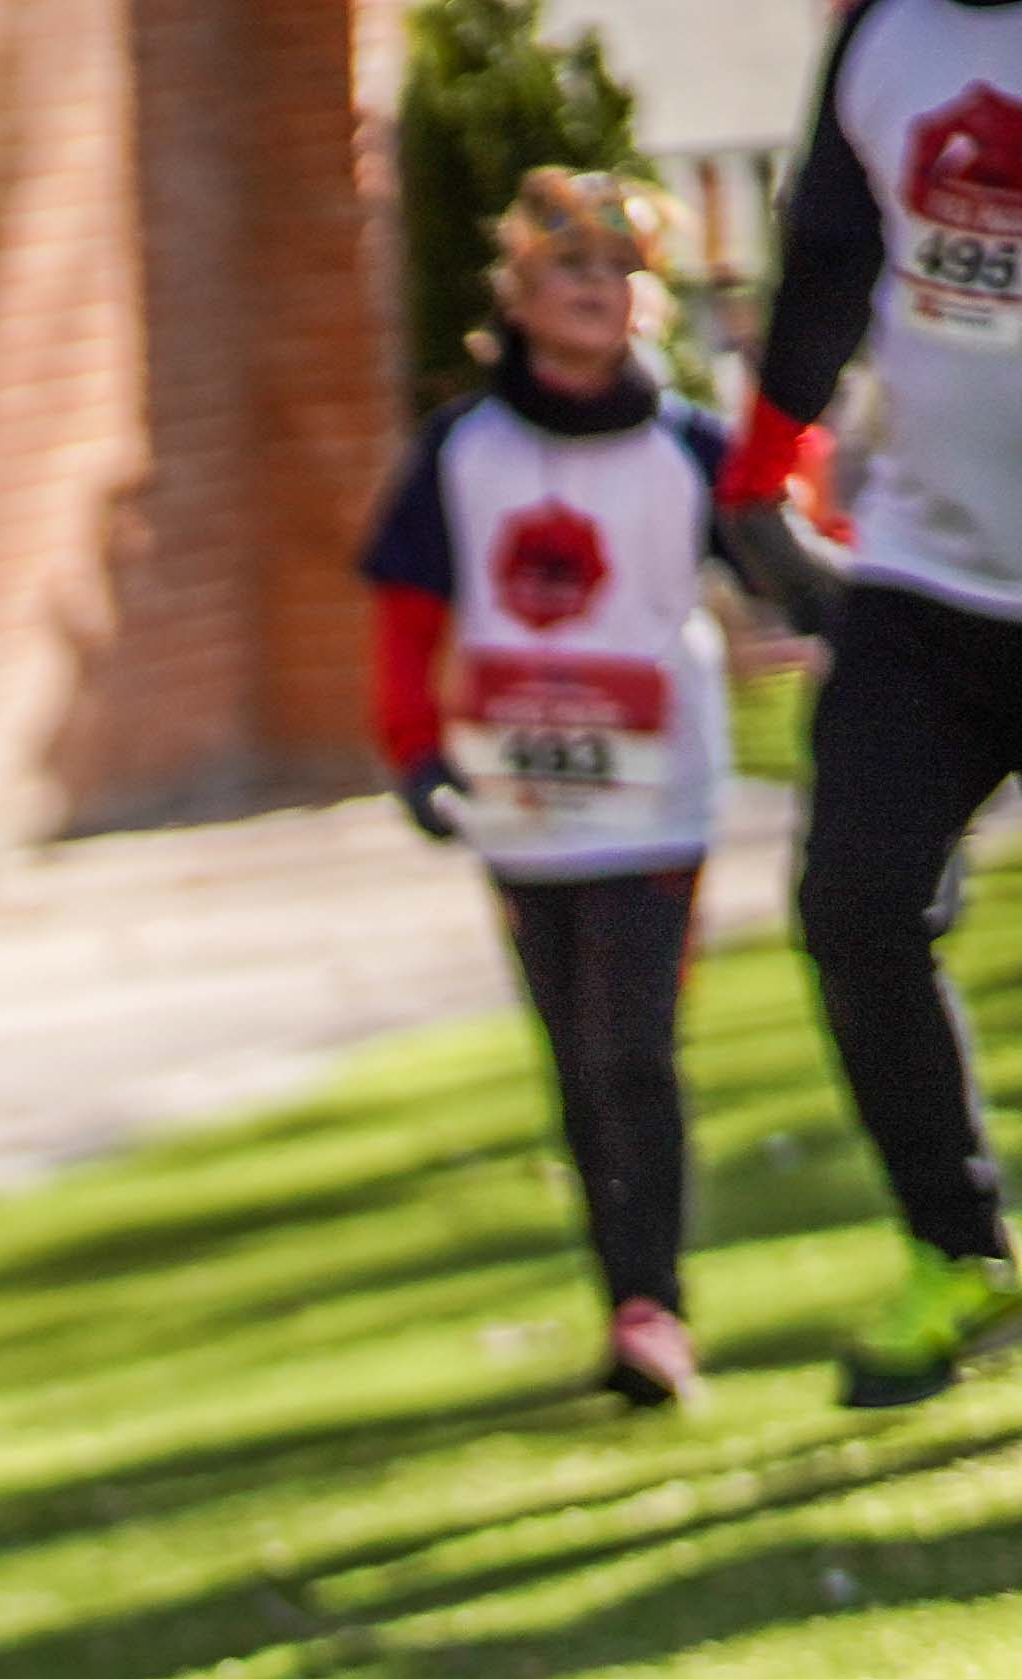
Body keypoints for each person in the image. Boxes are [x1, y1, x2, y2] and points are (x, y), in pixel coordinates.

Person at [366, 169, 744, 1410]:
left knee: (638, 1048)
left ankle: (657, 1308)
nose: (599, 291)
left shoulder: (689, 444)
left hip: (657, 800)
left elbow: (800, 558)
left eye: (621, 272)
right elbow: (407, 607)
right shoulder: (461, 453)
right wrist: (414, 750)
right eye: (570, 270)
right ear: (518, 299)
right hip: (522, 804)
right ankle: (624, 1299)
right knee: (577, 1061)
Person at [723, 0, 1022, 1406]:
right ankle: (956, 1249)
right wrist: (762, 464)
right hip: (925, 577)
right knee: (854, 904)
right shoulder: (882, 34)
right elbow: (833, 255)